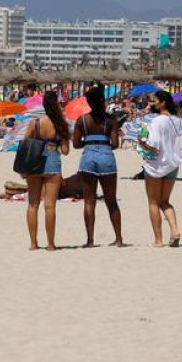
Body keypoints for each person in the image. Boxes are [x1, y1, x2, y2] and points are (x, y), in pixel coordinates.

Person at [73, 85, 123, 247]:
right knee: (111, 201)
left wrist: (89, 142)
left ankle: (90, 240)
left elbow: (75, 144)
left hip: (88, 158)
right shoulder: (110, 120)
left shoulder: (82, 120)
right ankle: (119, 239)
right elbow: (115, 144)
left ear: (88, 102)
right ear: (102, 100)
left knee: (89, 201)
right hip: (106, 158)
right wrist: (103, 142)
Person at [24, 91, 71, 251]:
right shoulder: (60, 124)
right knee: (50, 206)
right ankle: (51, 244)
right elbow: (65, 151)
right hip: (52, 162)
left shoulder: (35, 123)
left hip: (34, 163)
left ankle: (33, 243)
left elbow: (24, 144)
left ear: (43, 105)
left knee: (33, 204)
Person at [137, 90, 182, 247]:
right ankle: (175, 230)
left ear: (162, 102)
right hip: (172, 163)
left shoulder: (157, 121)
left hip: (157, 165)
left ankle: (158, 240)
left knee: (153, 202)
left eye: (153, 101)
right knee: (165, 201)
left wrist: (142, 142)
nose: (151, 103)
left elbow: (155, 146)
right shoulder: (176, 120)